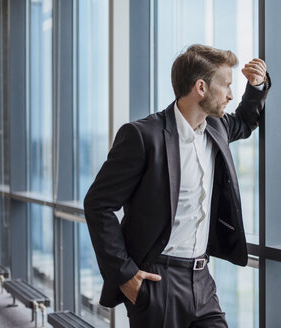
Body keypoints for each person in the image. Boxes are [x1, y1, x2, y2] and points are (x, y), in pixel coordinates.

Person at [84, 44, 270, 327]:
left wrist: (255, 86)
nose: (231, 95)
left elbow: (245, 121)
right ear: (201, 87)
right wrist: (125, 276)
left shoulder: (216, 128)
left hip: (202, 279)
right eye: (227, 86)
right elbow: (98, 205)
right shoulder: (143, 136)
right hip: (158, 282)